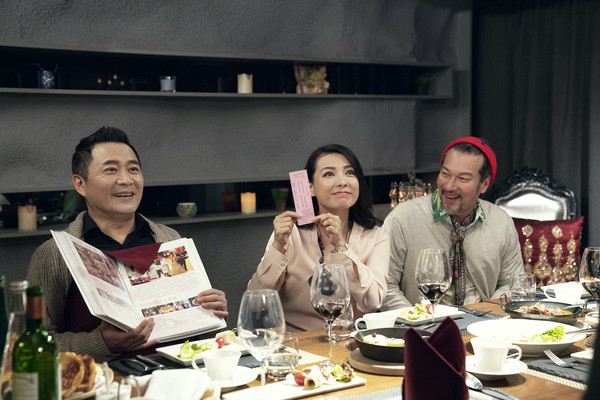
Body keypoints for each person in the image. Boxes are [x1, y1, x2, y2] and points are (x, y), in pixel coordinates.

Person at [26, 127, 228, 362]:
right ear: (80, 184)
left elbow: (199, 338)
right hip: (99, 381)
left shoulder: (169, 239)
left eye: (133, 169)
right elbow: (32, 345)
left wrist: (212, 315)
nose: (126, 179)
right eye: (111, 170)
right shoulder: (55, 253)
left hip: (174, 377)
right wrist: (101, 343)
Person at [248, 144, 390, 331]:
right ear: (310, 188)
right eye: (329, 174)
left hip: (351, 340)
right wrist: (278, 246)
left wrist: (341, 246)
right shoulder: (291, 234)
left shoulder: (376, 235)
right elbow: (255, 301)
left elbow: (372, 302)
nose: (342, 182)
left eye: (350, 173)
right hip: (297, 341)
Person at [381, 136, 524, 310]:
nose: (449, 186)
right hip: (420, 322)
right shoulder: (403, 218)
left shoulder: (501, 222)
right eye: (445, 174)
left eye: (463, 178)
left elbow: (511, 284)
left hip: (483, 321)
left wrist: (485, 315)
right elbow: (384, 287)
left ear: (484, 184)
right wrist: (417, 319)